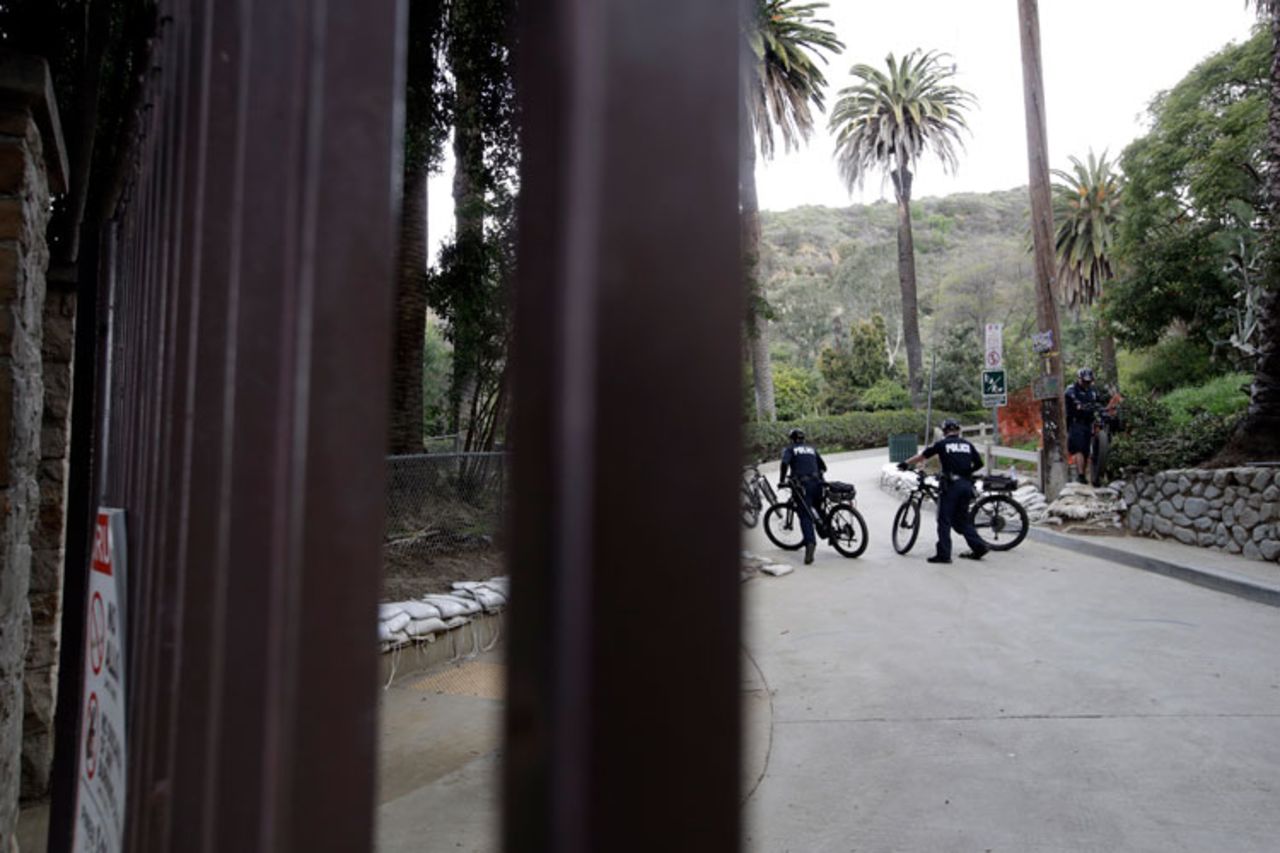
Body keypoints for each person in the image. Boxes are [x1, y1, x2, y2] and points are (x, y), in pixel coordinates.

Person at [898, 418, 988, 564]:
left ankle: (944, 555)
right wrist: (966, 473)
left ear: (945, 431)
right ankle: (978, 546)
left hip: (951, 486)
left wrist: (905, 463)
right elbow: (979, 463)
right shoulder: (967, 444)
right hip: (966, 485)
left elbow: (923, 456)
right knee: (962, 520)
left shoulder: (942, 444)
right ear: (958, 430)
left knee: (944, 520)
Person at [778, 427, 827, 565]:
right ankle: (829, 532)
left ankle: (810, 544)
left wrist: (782, 480)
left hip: (803, 486)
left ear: (792, 439)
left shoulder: (790, 449)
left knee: (805, 515)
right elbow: (824, 467)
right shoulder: (811, 448)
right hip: (818, 483)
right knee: (819, 508)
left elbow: (784, 464)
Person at [1065, 367, 1104, 484]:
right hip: (1076, 423)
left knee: (1086, 450)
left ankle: (1088, 474)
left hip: (1089, 422)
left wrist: (1102, 407)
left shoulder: (1092, 390)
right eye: (1084, 381)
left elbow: (1099, 400)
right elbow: (1071, 398)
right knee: (1079, 448)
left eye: (1089, 381)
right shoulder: (1071, 389)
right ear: (1079, 379)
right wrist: (1078, 404)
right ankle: (1081, 474)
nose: (1087, 384)